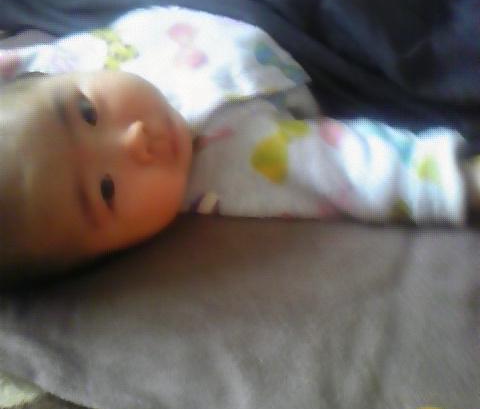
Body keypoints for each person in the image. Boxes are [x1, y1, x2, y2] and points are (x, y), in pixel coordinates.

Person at [1, 63, 480, 288]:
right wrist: (459, 180)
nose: (134, 139)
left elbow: (37, 77)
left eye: (87, 112)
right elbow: (356, 168)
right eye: (106, 190)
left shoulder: (90, 56)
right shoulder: (240, 166)